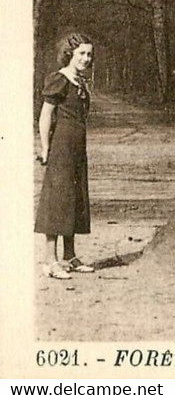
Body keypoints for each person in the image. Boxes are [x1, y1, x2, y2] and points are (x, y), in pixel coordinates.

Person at [35, 33, 96, 279]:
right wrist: (45, 148)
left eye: (89, 54)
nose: (86, 58)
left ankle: (69, 257)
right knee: (57, 200)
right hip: (61, 147)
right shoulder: (59, 79)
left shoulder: (79, 81)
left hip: (77, 149)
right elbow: (45, 115)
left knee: (74, 198)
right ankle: (50, 261)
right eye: (81, 53)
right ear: (69, 53)